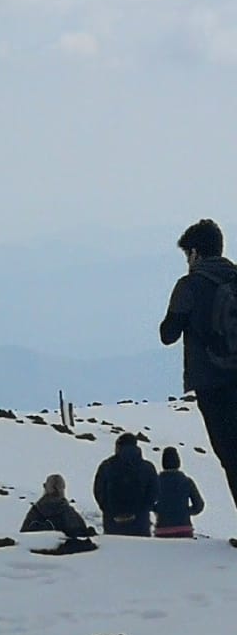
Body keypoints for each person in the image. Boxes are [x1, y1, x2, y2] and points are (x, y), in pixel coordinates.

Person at [160, 219, 237, 511]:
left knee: (230, 455)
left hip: (211, 382)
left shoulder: (189, 285)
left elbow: (168, 334)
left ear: (194, 253)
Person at [92, 433, 158, 536]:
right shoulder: (147, 467)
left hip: (113, 523)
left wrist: (107, 510)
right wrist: (144, 510)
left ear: (118, 446)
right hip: (140, 524)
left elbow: (98, 491)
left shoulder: (106, 466)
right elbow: (154, 493)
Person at [153, 447, 205, 538]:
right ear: (178, 462)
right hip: (184, 528)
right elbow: (199, 505)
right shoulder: (187, 481)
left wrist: (159, 510)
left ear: (163, 463)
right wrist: (185, 512)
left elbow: (148, 502)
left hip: (162, 529)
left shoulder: (156, 481)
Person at [20, 475, 93, 537]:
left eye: (57, 486)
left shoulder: (36, 511)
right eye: (54, 486)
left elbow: (25, 537)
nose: (56, 489)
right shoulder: (70, 513)